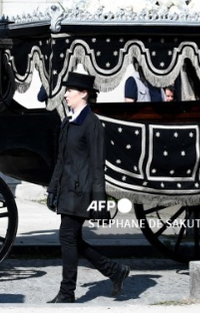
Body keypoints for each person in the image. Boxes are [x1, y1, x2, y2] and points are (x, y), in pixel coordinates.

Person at [46, 72, 130, 303]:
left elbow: (97, 166)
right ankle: (115, 270)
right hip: (66, 190)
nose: (65, 95)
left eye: (69, 91)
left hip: (81, 192)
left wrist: (100, 200)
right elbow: (61, 160)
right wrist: (52, 188)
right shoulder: (68, 121)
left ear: (84, 94)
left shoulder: (92, 124)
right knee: (73, 239)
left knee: (67, 237)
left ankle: (67, 292)